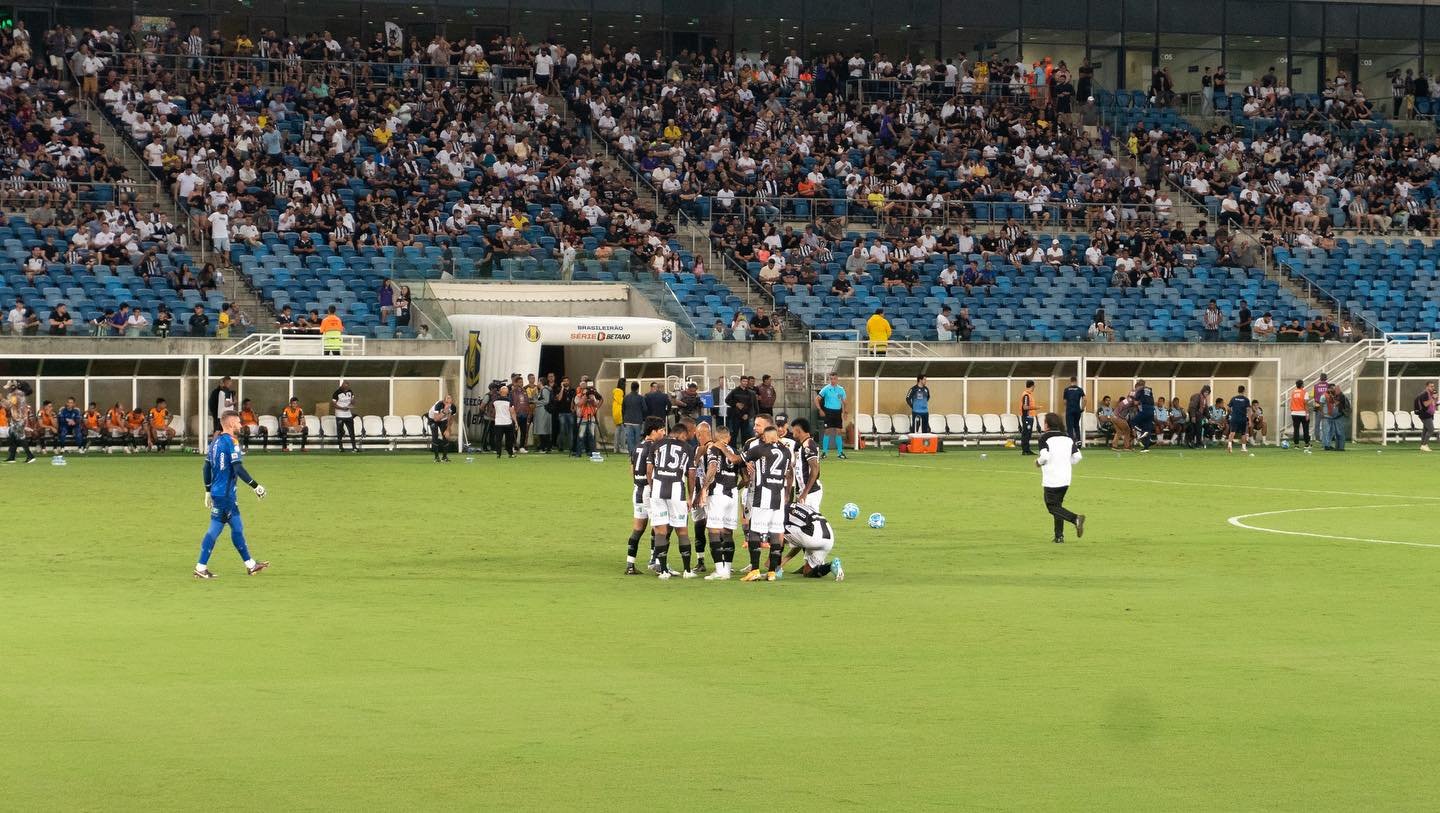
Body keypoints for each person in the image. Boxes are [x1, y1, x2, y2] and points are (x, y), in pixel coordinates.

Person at [194, 410, 269, 579]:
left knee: (237, 527)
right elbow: (238, 468)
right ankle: (200, 567)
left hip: (218, 493)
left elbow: (206, 467)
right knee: (215, 529)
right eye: (238, 422)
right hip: (226, 496)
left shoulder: (215, 442)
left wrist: (208, 491)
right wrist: (255, 486)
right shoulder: (231, 442)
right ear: (230, 424)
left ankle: (250, 565)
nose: (241, 425)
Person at [741, 424, 794, 582]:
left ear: (766, 437)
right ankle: (771, 572)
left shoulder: (760, 449)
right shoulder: (787, 451)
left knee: (754, 531)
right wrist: (787, 494)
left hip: (763, 495)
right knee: (776, 533)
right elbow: (789, 473)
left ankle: (755, 570)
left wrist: (723, 448)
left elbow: (738, 459)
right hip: (778, 496)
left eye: (763, 437)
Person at [646, 421, 696, 579]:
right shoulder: (687, 448)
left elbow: (649, 470)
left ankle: (663, 571)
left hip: (657, 491)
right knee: (682, 531)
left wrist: (652, 486)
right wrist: (690, 496)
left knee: (660, 531)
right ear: (682, 434)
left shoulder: (656, 444)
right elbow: (691, 474)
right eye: (685, 437)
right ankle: (687, 571)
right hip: (676, 491)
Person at [697, 424, 744, 580]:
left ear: (715, 437)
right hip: (733, 493)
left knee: (714, 531)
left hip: (718, 492)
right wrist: (735, 488)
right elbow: (746, 478)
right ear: (728, 438)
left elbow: (712, 467)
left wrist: (704, 488)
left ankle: (719, 570)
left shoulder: (713, 449)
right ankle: (727, 569)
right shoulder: (735, 451)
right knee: (728, 532)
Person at [624, 417, 668, 575]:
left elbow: (631, 470)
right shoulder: (655, 447)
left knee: (638, 529)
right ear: (653, 431)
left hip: (637, 490)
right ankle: (657, 563)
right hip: (649, 491)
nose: (664, 433)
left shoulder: (637, 446)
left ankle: (630, 565)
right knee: (660, 527)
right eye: (662, 430)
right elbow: (651, 470)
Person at [1036, 414, 1085, 544]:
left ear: (1047, 424)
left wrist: (1038, 462)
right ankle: (1059, 536)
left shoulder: (1044, 438)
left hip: (1052, 478)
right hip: (1066, 478)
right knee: (1058, 506)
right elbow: (1078, 457)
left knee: (1052, 507)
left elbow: (1044, 457)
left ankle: (1075, 519)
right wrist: (1066, 462)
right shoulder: (1067, 437)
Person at [777, 501, 844, 580]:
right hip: (828, 540)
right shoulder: (801, 507)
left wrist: (778, 563)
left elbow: (781, 535)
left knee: (778, 531)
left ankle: (775, 567)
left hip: (813, 537)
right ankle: (831, 566)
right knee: (807, 572)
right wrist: (784, 561)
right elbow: (799, 542)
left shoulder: (783, 509)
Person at [788, 417, 823, 510]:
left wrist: (805, 493)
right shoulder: (801, 445)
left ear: (798, 430)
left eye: (793, 430)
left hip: (811, 493)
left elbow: (815, 469)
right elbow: (798, 465)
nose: (792, 433)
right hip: (803, 491)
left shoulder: (808, 445)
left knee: (811, 518)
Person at [815, 372, 847, 459]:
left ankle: (840, 453)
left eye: (834, 379)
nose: (833, 381)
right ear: (830, 379)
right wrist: (820, 409)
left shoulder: (841, 390)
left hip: (837, 412)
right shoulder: (826, 389)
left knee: (839, 432)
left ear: (837, 379)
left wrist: (844, 412)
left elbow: (844, 402)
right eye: (831, 379)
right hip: (828, 412)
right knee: (827, 431)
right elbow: (817, 399)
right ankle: (824, 452)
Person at [572, 382, 601, 457]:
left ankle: (592, 453)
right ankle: (578, 453)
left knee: (591, 435)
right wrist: (585, 397)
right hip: (582, 417)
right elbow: (579, 404)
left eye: (586, 389)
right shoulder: (578, 396)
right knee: (581, 435)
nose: (585, 390)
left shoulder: (593, 396)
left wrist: (592, 399)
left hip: (591, 417)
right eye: (583, 388)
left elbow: (596, 404)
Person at [1318, 382, 1347, 451]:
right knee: (1326, 431)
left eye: (1334, 388)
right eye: (1332, 388)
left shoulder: (1334, 396)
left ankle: (1328, 444)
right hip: (1326, 416)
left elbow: (1336, 404)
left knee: (1331, 432)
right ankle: (1326, 445)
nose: (1333, 390)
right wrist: (1322, 413)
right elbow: (1321, 406)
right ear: (1328, 388)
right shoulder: (1323, 396)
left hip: (1333, 417)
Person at [331, 381, 359, 452]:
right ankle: (341, 447)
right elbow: (334, 404)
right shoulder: (336, 393)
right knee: (340, 431)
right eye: (345, 387)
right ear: (342, 386)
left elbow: (352, 400)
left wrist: (351, 404)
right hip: (339, 415)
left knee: (351, 431)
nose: (346, 389)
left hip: (348, 415)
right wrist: (342, 408)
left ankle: (354, 447)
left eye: (347, 387)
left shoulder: (350, 391)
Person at [490, 385, 517, 458]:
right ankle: (510, 453)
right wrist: (516, 422)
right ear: (507, 392)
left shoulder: (495, 401)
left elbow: (493, 409)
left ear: (500, 392)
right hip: (507, 422)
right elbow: (512, 412)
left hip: (498, 422)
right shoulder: (509, 401)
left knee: (498, 439)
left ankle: (498, 454)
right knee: (509, 439)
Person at [1018, 380, 1043, 455]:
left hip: (1030, 417)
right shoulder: (1026, 395)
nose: (1034, 387)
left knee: (1028, 434)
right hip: (1027, 417)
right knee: (1026, 433)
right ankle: (1025, 450)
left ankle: (1027, 449)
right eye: (1034, 386)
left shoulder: (1029, 394)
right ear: (1032, 386)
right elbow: (1025, 407)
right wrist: (1036, 407)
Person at [429, 394, 456, 462]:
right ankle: (436, 457)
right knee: (435, 436)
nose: (448, 404)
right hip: (433, 419)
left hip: (443, 420)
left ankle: (444, 457)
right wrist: (444, 411)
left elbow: (451, 419)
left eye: (450, 403)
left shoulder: (453, 407)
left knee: (446, 437)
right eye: (447, 402)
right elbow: (436, 419)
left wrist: (448, 429)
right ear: (444, 401)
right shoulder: (439, 405)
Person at [1132, 379, 1156, 451]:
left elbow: (1135, 402)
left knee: (1132, 422)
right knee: (1147, 428)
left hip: (1144, 409)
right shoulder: (1150, 390)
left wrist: (1136, 401)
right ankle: (1146, 448)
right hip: (1152, 410)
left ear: (1138, 385)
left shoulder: (1140, 390)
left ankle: (1142, 431)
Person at [1226, 385, 1252, 454]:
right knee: (1243, 433)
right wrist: (1249, 420)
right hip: (1242, 418)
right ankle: (1243, 448)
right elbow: (1248, 410)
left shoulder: (1233, 399)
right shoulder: (1246, 399)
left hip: (1234, 418)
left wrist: (1232, 413)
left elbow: (1228, 408)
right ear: (1244, 391)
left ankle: (1229, 445)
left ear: (1238, 390)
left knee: (1232, 432)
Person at [1062, 376, 1085, 446]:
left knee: (1070, 427)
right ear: (1076, 381)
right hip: (1077, 410)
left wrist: (1066, 408)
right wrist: (1082, 408)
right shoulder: (1080, 389)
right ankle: (1079, 441)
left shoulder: (1066, 390)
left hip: (1069, 410)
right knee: (1076, 425)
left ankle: (1071, 442)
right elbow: (1085, 399)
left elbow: (1065, 401)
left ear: (1070, 381)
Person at [1288, 379, 1311, 448]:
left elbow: (1292, 402)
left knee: (1296, 429)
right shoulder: (1305, 392)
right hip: (1303, 413)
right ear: (1302, 385)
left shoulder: (1293, 392)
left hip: (1294, 413)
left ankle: (1296, 445)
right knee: (1305, 429)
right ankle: (1307, 444)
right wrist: (1307, 414)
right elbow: (1306, 404)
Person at [1415, 381, 1437, 452]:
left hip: (1429, 414)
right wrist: (1433, 398)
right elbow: (1425, 404)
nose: (1433, 388)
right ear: (1427, 387)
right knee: (1431, 429)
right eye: (1431, 386)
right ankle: (1424, 445)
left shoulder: (1430, 394)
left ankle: (1423, 445)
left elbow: (1432, 404)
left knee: (1425, 430)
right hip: (1425, 414)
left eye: (1433, 386)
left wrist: (1436, 402)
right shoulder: (1425, 394)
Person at [611, 378, 627, 453]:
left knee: (618, 430)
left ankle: (616, 448)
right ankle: (622, 447)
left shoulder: (616, 391)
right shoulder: (619, 391)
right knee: (623, 431)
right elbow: (621, 402)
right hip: (620, 412)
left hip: (616, 412)